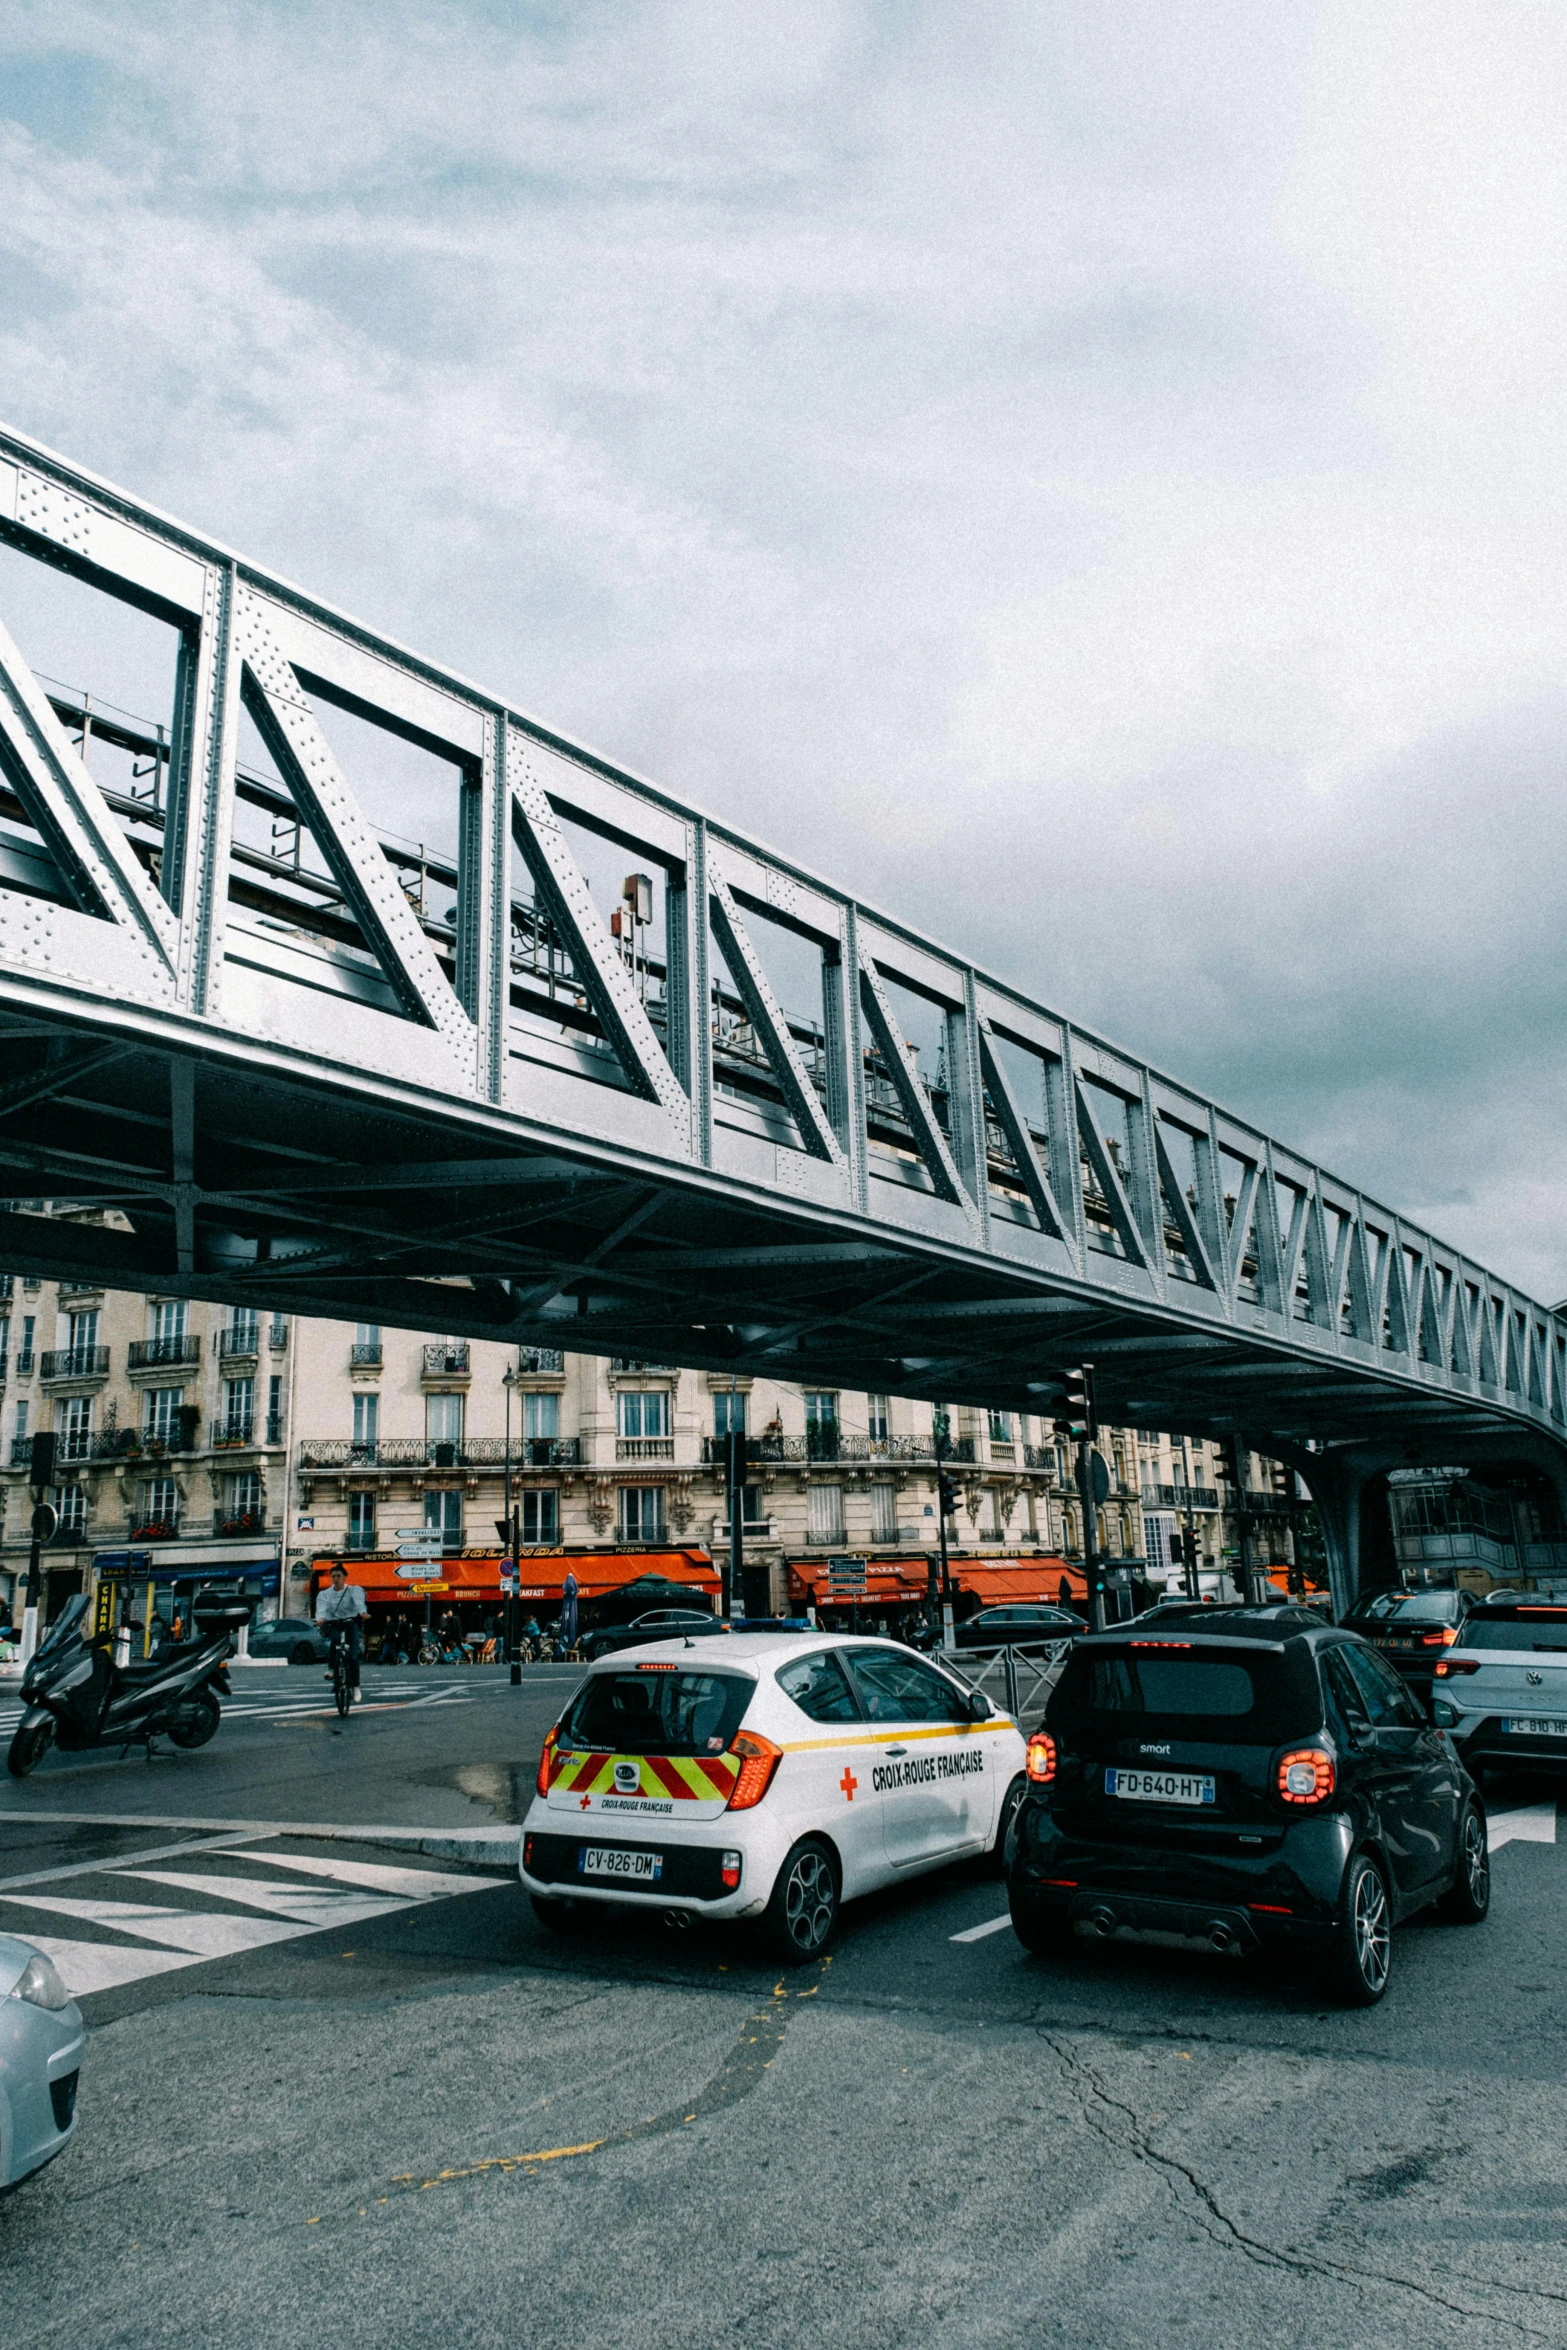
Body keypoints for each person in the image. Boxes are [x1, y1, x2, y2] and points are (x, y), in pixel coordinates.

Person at [315, 1563, 368, 1702]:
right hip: (335, 1622)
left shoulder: (353, 1591)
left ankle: (356, 1687)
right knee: (335, 1640)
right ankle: (332, 1669)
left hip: (351, 1622)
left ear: (344, 1577)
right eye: (333, 1576)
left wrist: (363, 1613)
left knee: (354, 1655)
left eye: (338, 1576)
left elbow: (359, 1603)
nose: (335, 1579)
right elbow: (321, 1607)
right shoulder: (325, 1594)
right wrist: (320, 1619)